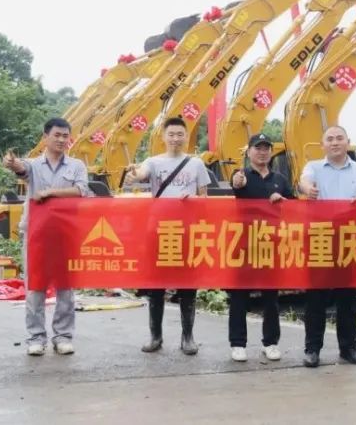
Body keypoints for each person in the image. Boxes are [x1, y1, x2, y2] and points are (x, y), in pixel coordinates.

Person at [124, 116, 211, 355]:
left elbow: (205, 199)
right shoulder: (153, 162)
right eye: (171, 134)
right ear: (163, 137)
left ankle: (188, 337)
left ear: (186, 137)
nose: (175, 138)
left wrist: (191, 199)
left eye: (179, 134)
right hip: (158, 231)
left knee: (188, 285)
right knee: (156, 285)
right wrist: (134, 175)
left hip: (187, 232)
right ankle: (155, 336)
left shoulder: (196, 164)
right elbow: (141, 174)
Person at [3, 118, 89, 356]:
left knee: (65, 287)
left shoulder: (76, 166)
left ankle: (62, 336)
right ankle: (36, 337)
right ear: (45, 137)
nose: (62, 140)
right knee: (35, 288)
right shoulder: (34, 165)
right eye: (57, 135)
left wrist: (51, 192)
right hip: (36, 234)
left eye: (65, 136)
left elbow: (82, 190)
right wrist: (12, 163)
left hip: (66, 234)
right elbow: (20, 168)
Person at [298, 125, 356, 368]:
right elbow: (303, 182)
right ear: (323, 145)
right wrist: (307, 190)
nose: (335, 143)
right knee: (316, 297)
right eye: (329, 139)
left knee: (347, 297)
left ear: (347, 141)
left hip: (348, 238)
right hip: (320, 237)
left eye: (339, 138)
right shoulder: (314, 167)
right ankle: (312, 349)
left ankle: (349, 348)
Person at [228, 133, 293, 363]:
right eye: (258, 148)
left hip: (271, 243)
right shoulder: (242, 175)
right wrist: (237, 183)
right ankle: (237, 344)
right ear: (249, 152)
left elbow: (294, 208)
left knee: (271, 297)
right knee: (239, 295)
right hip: (244, 243)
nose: (262, 152)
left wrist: (283, 201)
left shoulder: (281, 179)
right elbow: (235, 186)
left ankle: (271, 343)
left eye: (266, 148)